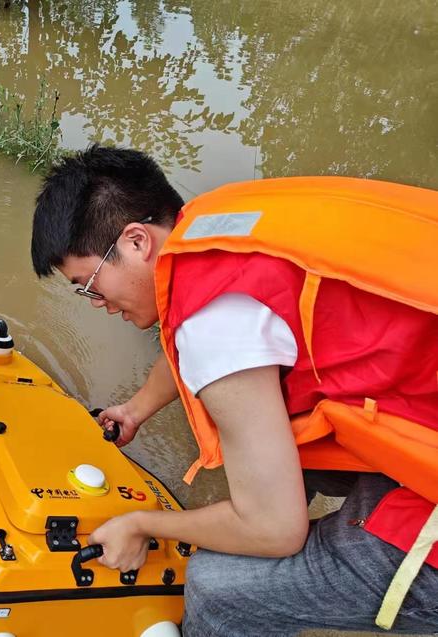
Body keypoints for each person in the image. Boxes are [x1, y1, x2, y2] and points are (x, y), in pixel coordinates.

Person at [30, 145, 438, 636]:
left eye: (89, 285)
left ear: (137, 241)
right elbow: (206, 328)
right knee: (272, 465)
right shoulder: (216, 224)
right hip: (419, 407)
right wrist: (136, 410)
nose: (96, 303)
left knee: (221, 585)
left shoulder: (212, 328)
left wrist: (141, 524)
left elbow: (275, 530)